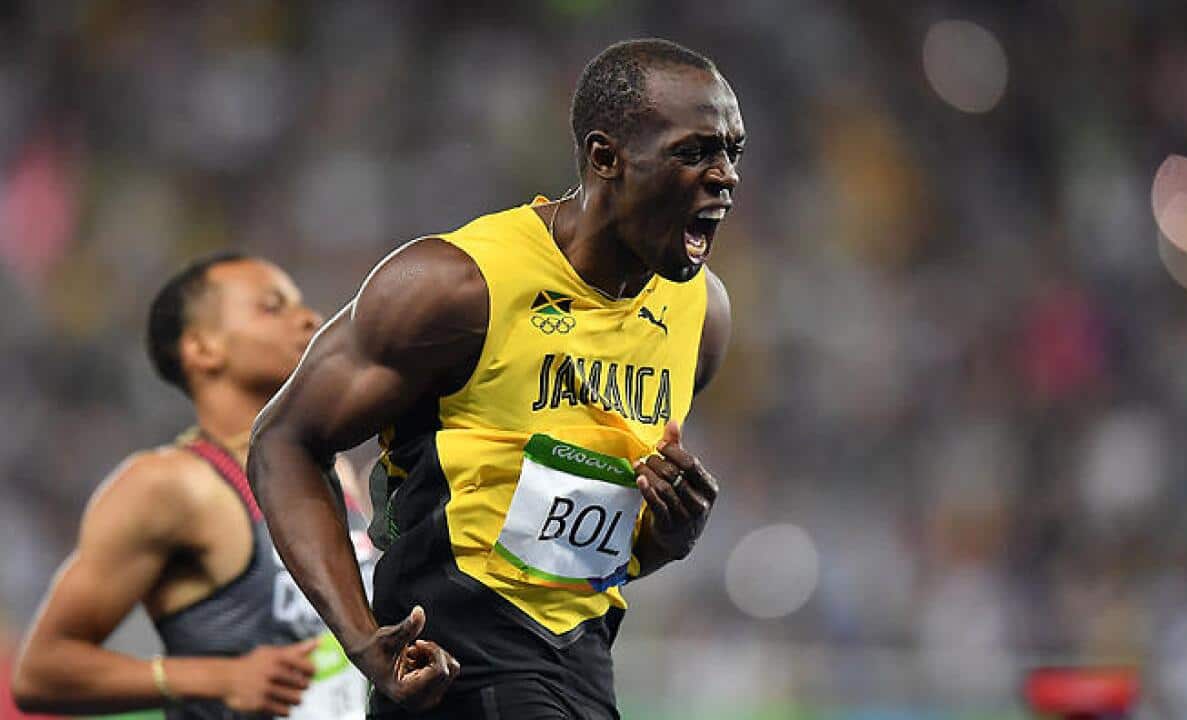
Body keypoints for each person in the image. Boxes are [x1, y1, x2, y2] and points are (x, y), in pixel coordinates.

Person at [248, 37, 741, 719]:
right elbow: (283, 444)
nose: (725, 177)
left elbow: (578, 555)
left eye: (732, 153)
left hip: (579, 667)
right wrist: (365, 642)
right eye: (694, 152)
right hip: (456, 671)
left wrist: (665, 538)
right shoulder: (455, 285)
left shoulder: (700, 314)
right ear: (606, 158)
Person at [11, 253, 377, 719]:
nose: (309, 318)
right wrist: (219, 679)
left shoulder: (333, 469)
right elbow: (41, 671)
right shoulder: (170, 486)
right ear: (203, 349)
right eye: (272, 306)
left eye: (299, 304)